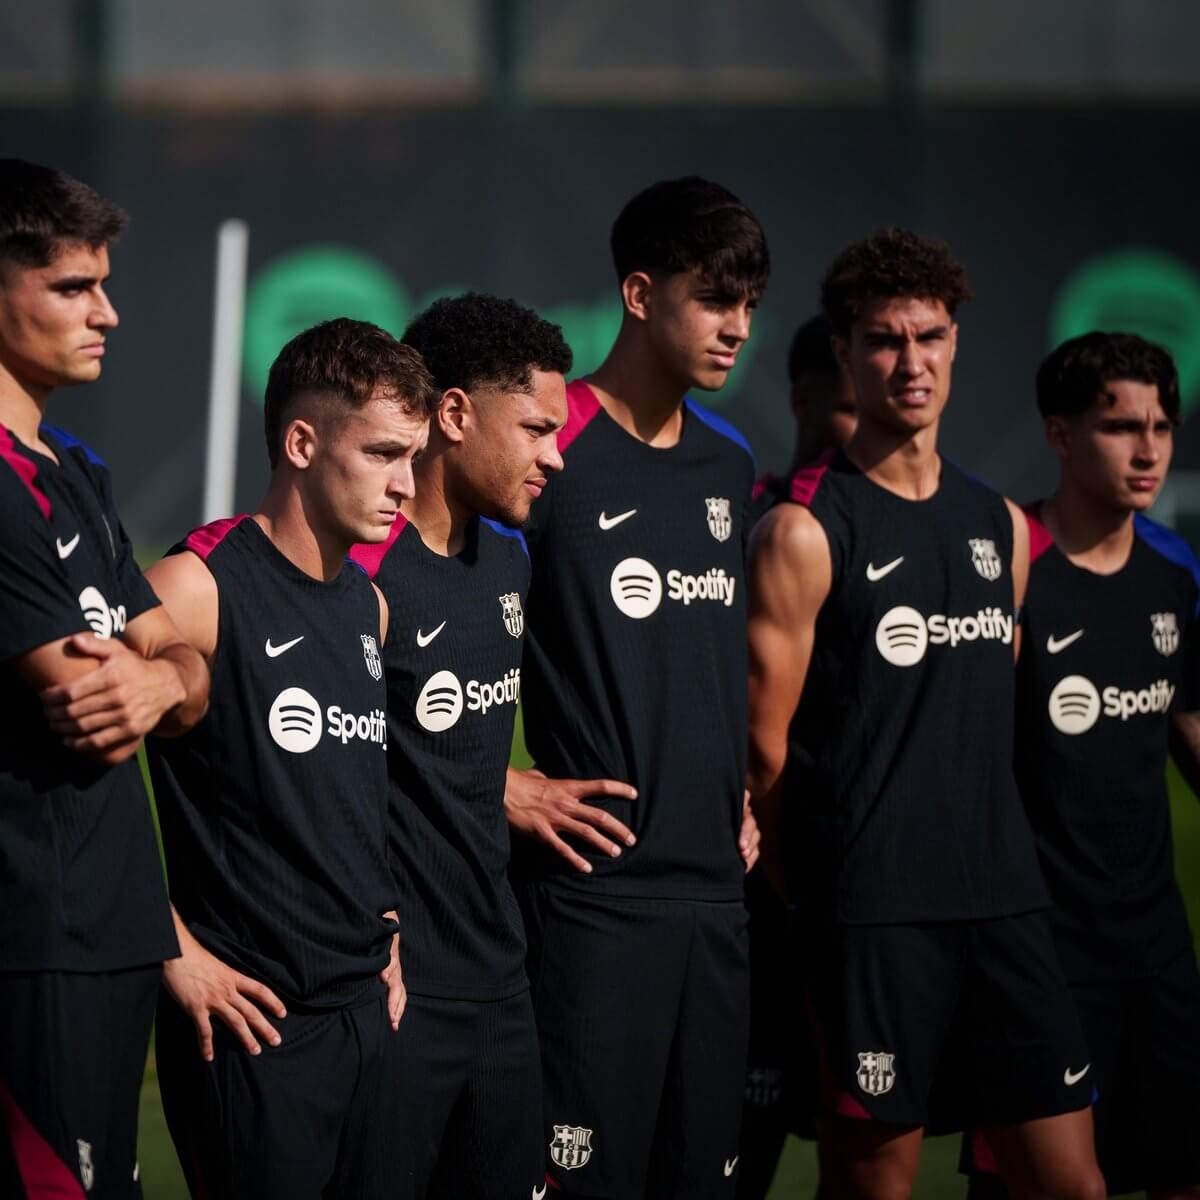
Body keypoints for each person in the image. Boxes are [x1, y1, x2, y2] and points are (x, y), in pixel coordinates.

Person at [746, 227, 1106, 1200]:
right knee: (878, 1190)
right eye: (885, 340)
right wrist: (824, 900)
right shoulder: (803, 530)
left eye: (931, 337)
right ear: (845, 356)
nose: (912, 362)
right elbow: (765, 756)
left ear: (956, 345)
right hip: (874, 919)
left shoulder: (1002, 527)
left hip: (1006, 904)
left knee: (1073, 1184)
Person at [507, 176, 765, 1198]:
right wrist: (503, 785)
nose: (738, 327)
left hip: (717, 895)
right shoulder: (542, 443)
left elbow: (707, 663)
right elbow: (409, 613)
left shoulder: (729, 463)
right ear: (641, 293)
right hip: (592, 902)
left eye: (749, 302)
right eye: (715, 299)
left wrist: (732, 783)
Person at [144, 318, 436, 1199]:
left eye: (414, 458)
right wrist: (169, 946)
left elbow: (350, 796)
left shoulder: (368, 607)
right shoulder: (196, 588)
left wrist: (383, 923)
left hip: (365, 1017)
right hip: (252, 1030)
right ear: (301, 442)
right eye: (384, 454)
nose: (406, 486)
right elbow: (60, 786)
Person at [0, 158, 209, 1199]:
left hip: (111, 932)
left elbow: (182, 670)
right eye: (74, 287)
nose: (109, 314)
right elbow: (95, 709)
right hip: (36, 936)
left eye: (106, 283)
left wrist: (165, 678)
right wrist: (157, 676)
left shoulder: (72, 471)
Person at [961, 332, 1200, 1198]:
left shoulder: (1177, 576)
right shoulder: (1012, 565)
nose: (1148, 451)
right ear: (1060, 436)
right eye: (1119, 427)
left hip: (1159, 945)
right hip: (1040, 950)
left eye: (1162, 427)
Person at [348, 292, 571, 1199]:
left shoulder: (511, 558)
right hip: (391, 992)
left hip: (503, 983)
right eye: (535, 429)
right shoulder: (360, 574)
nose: (555, 456)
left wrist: (505, 787)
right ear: (453, 414)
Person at [740, 315, 856, 1200]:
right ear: (803, 398)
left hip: (865, 890)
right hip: (761, 884)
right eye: (848, 404)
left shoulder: (956, 525)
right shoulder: (756, 521)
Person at [749, 313, 857, 522]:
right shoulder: (747, 517)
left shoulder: (898, 518)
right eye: (852, 411)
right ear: (801, 401)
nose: (870, 431)